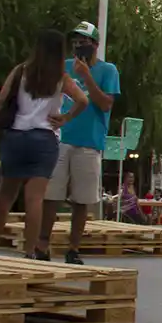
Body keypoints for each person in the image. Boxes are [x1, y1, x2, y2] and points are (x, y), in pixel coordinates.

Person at [0, 30, 88, 257]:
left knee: (6, 196)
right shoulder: (61, 78)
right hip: (44, 140)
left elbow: (0, 101)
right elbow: (83, 100)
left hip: (15, 137)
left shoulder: (20, 71)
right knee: (35, 198)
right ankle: (29, 252)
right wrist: (65, 118)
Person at [37, 21, 120, 264]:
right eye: (75, 41)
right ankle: (42, 245)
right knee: (51, 195)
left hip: (89, 142)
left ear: (95, 44)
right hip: (60, 137)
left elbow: (105, 104)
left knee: (82, 199)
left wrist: (86, 76)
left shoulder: (108, 70)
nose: (78, 46)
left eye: (83, 41)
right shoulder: (63, 67)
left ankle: (73, 249)